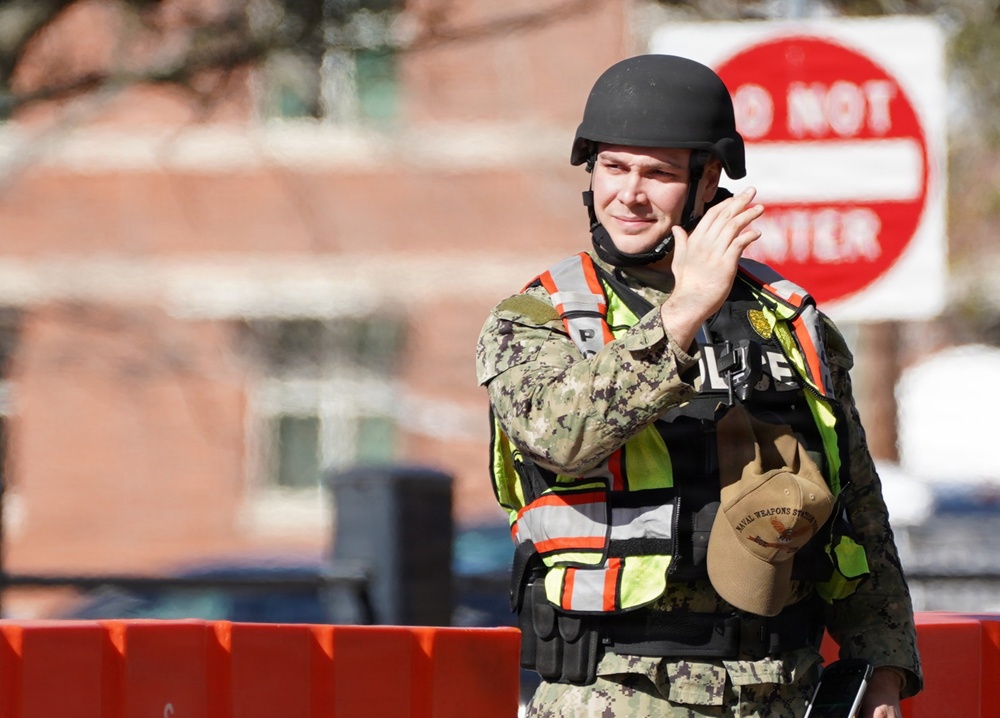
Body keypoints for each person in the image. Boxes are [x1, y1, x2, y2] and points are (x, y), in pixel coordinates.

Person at [476, 54, 922, 717]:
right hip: (613, 695)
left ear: (708, 179)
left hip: (781, 689)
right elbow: (562, 436)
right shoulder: (537, 319)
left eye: (657, 173)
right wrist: (682, 316)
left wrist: (883, 665)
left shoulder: (788, 320)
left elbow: (854, 502)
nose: (629, 194)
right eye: (613, 167)